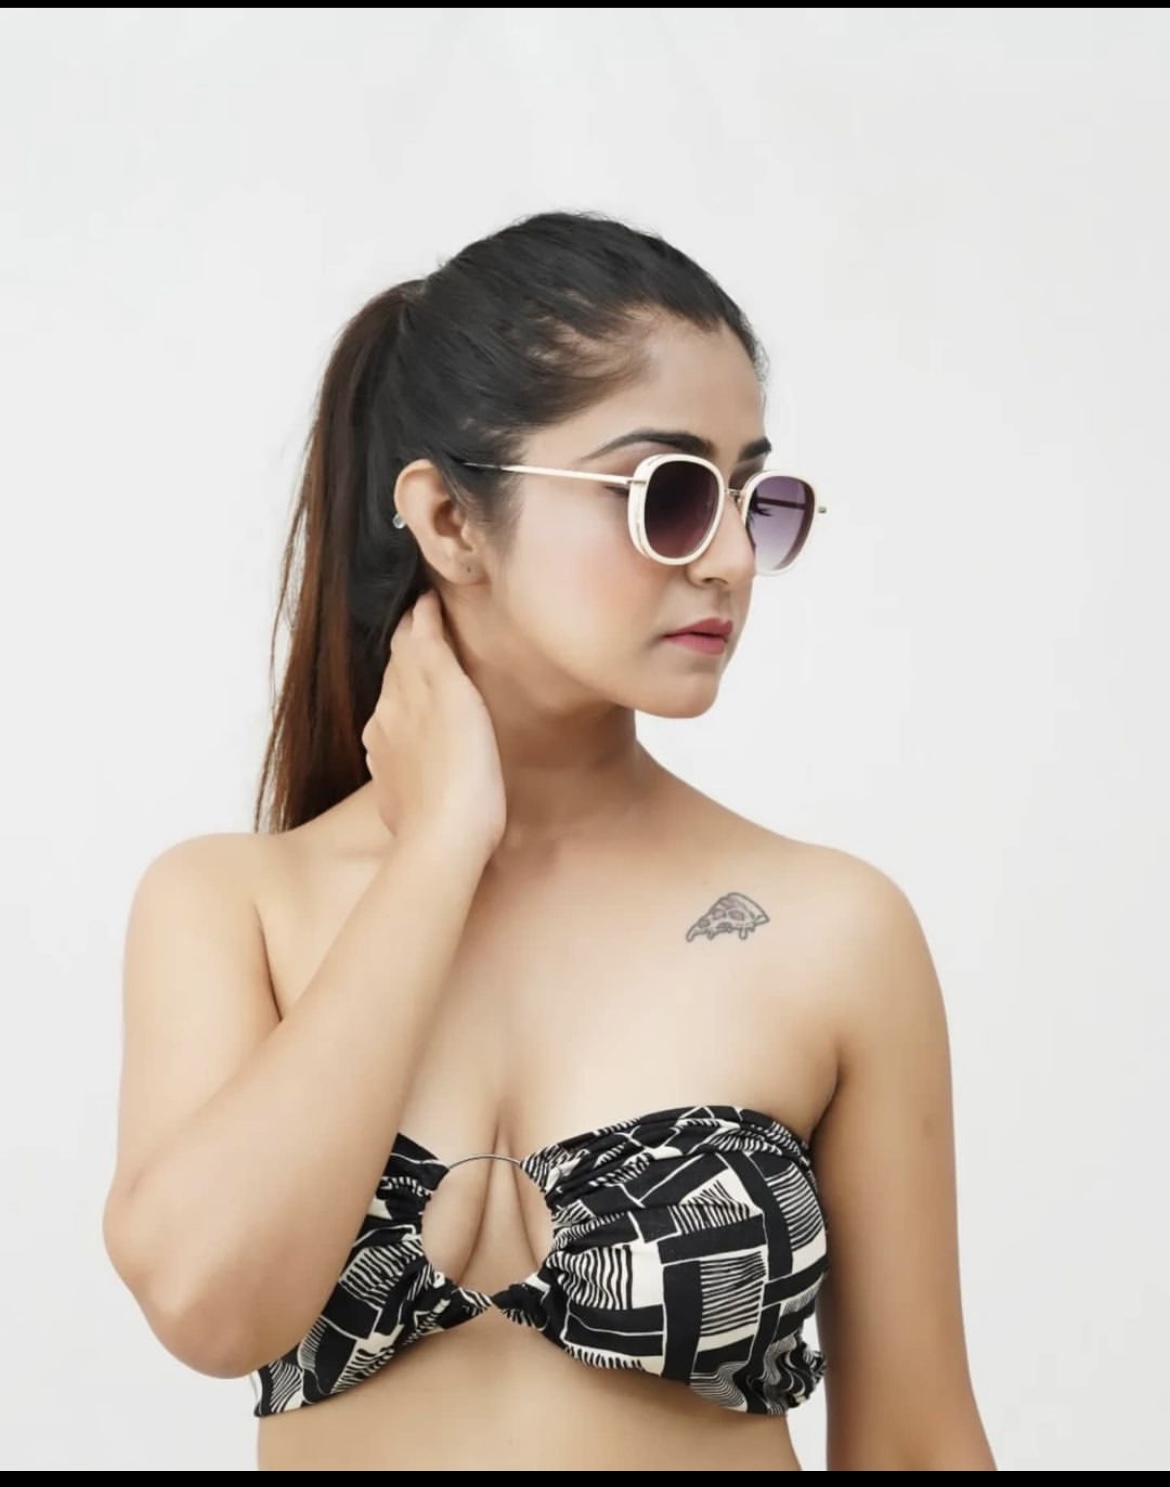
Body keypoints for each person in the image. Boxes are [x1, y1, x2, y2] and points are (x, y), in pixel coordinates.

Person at [102, 211, 995, 1472]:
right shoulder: (231, 905)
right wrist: (439, 847)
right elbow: (210, 1302)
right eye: (668, 494)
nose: (731, 560)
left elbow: (915, 1443)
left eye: (751, 497)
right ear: (449, 520)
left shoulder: (832, 930)